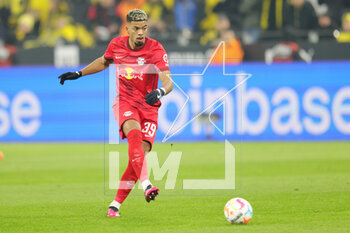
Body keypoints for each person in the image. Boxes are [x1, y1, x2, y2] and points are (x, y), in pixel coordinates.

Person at [57, 9, 173, 218]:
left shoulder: (155, 49)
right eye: (136, 28)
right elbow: (104, 61)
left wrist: (160, 91)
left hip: (149, 106)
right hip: (125, 101)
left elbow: (168, 81)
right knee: (134, 137)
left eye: (144, 28)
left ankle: (115, 205)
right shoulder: (117, 45)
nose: (140, 33)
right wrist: (79, 73)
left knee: (138, 156)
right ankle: (147, 184)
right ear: (127, 28)